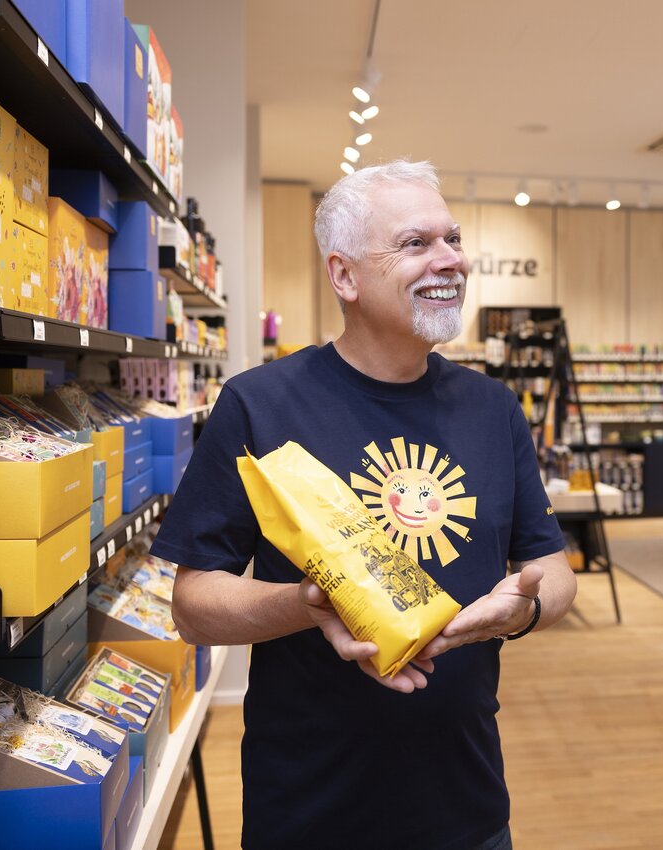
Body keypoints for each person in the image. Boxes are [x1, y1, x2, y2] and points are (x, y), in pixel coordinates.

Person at [150, 160, 576, 850]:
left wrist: (522, 610)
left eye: (453, 238)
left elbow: (552, 571)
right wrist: (310, 604)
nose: (450, 259)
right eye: (416, 243)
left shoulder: (494, 409)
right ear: (343, 275)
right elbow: (192, 605)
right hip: (309, 811)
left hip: (467, 808)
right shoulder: (259, 404)